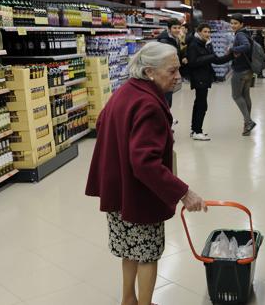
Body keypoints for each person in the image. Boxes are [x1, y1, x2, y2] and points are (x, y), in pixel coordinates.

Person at [85, 42, 207, 305]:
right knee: (148, 255)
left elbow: (102, 123)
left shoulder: (126, 90)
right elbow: (144, 163)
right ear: (150, 72)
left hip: (118, 191)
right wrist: (184, 192)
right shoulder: (149, 105)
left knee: (129, 250)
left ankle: (128, 299)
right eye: (172, 71)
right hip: (139, 195)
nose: (178, 76)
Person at [187, 23, 233, 141]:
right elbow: (192, 62)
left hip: (205, 77)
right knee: (201, 105)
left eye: (209, 32)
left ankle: (195, 129)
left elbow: (216, 60)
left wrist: (231, 56)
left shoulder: (207, 44)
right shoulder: (194, 44)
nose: (207, 34)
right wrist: (210, 57)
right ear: (199, 32)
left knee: (199, 104)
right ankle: (197, 131)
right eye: (205, 32)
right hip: (199, 78)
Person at [229, 13, 256, 136]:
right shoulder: (246, 33)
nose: (233, 25)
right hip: (248, 70)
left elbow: (246, 46)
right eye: (232, 23)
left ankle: (248, 121)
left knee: (236, 96)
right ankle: (247, 126)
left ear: (241, 24)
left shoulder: (240, 34)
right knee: (245, 96)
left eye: (235, 23)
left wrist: (233, 49)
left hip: (240, 71)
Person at [157, 18, 186, 107]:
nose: (177, 30)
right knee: (166, 100)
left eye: (178, 28)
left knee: (168, 99)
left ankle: (167, 118)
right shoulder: (165, 40)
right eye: (174, 28)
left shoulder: (174, 38)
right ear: (169, 29)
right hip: (165, 73)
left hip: (171, 72)